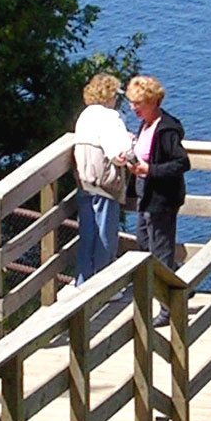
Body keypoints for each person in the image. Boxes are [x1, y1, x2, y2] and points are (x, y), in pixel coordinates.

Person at [72, 72, 135, 283]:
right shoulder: (110, 117)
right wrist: (130, 142)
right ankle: (104, 285)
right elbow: (119, 154)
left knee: (87, 233)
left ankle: (83, 282)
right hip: (105, 182)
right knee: (106, 235)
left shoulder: (85, 115)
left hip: (85, 180)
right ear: (109, 95)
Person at [126, 75, 189, 269]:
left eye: (138, 103)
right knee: (144, 241)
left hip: (161, 197)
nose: (133, 108)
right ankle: (172, 282)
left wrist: (150, 170)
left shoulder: (166, 130)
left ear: (153, 102)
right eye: (131, 103)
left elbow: (182, 163)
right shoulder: (145, 123)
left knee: (160, 248)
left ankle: (166, 294)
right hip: (145, 194)